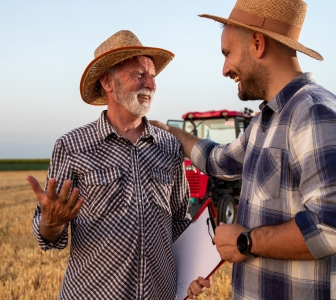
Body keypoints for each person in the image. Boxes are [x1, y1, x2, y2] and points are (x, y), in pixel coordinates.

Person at [151, 0, 336, 299]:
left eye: (227, 53)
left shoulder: (313, 113)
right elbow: (216, 160)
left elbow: (329, 228)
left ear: (258, 43)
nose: (225, 69)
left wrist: (245, 241)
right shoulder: (266, 119)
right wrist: (170, 132)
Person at [27, 30, 191, 300]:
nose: (151, 84)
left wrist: (193, 272)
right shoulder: (72, 146)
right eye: (139, 74)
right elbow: (49, 235)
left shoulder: (170, 146)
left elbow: (179, 222)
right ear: (108, 82)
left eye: (152, 75)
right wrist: (51, 223)